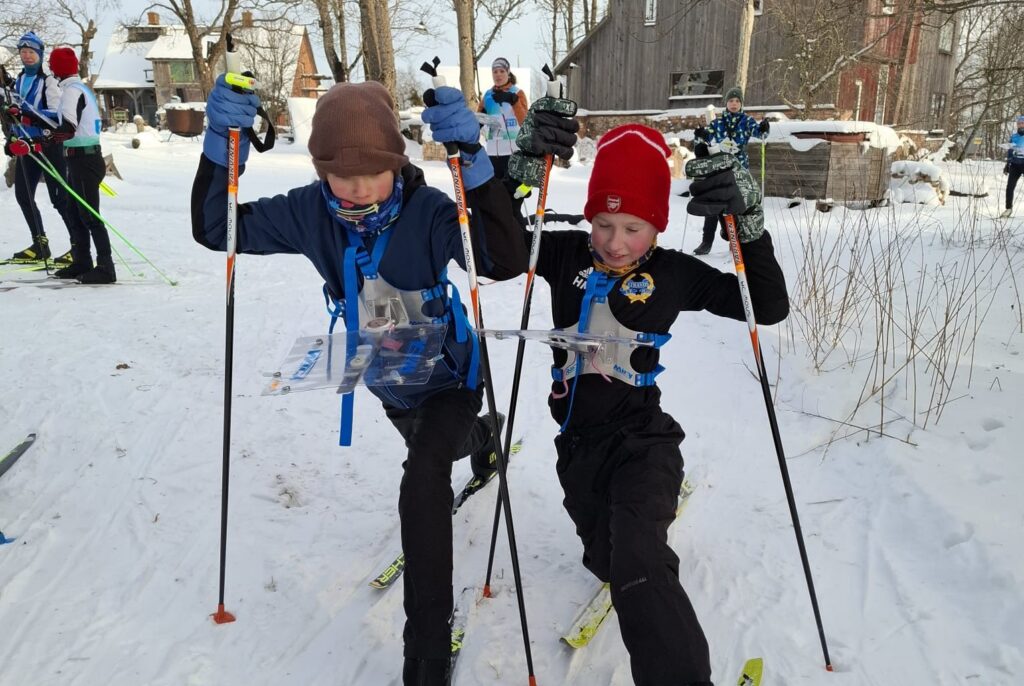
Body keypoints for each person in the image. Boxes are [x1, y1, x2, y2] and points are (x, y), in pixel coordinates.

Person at [192, 77, 526, 685]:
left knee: (423, 479)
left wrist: (475, 165)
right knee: (442, 448)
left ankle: (426, 644)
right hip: (388, 377)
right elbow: (219, 228)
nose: (359, 191)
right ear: (321, 173)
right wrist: (220, 145)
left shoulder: (427, 211)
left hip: (451, 374)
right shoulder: (308, 211)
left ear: (396, 165)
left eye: (374, 174)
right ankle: (485, 442)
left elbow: (504, 260)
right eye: (341, 178)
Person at [508, 118, 789, 685]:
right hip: (578, 449)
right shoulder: (564, 256)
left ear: (657, 225)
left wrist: (749, 229)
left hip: (644, 443)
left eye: (633, 226)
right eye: (604, 223)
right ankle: (623, 547)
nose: (614, 241)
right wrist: (512, 171)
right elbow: (489, 252)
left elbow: (767, 305)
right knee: (608, 563)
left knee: (639, 561)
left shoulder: (675, 275)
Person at [2, 31, 73, 263]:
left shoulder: (49, 81)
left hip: (48, 144)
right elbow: (13, 111)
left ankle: (78, 245)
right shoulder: (20, 79)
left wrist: (27, 112)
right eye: (23, 52)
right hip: (27, 146)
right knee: (23, 195)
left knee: (59, 199)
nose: (27, 56)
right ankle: (39, 243)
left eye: (32, 52)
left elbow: (55, 115)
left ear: (40, 55)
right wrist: (11, 139)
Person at [48, 47, 114, 283]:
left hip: (83, 159)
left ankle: (106, 267)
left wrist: (43, 139)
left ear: (56, 69)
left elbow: (67, 128)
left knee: (88, 213)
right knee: (73, 210)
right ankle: (82, 261)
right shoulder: (78, 88)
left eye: (52, 65)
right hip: (81, 157)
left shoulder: (71, 92)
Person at [691, 86, 769, 255]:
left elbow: (760, 134)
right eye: (731, 101)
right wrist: (700, 135)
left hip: (739, 170)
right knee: (713, 204)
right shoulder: (717, 123)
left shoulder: (747, 122)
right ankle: (706, 241)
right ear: (726, 103)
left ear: (741, 104)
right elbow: (705, 139)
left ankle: (736, 241)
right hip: (719, 168)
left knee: (736, 206)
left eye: (737, 101)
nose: (734, 104)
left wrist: (763, 128)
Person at [478, 57, 529, 218]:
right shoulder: (487, 95)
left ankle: (519, 235)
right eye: (495, 71)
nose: (498, 75)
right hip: (493, 154)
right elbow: (478, 118)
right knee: (496, 200)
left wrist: (513, 102)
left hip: (514, 153)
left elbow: (526, 122)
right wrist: (478, 121)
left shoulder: (517, 92)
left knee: (512, 201)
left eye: (501, 71)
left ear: (508, 73)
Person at [1002, 114, 1024, 218]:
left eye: (1022, 123)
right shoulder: (1014, 136)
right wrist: (1008, 164)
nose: (1020, 125)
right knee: (1010, 187)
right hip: (1015, 164)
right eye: (1019, 123)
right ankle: (1008, 209)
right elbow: (1010, 150)